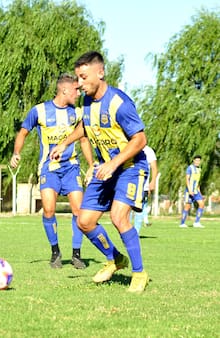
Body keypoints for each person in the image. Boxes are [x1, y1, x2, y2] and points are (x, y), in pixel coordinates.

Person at [50, 51, 149, 293]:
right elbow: (85, 126)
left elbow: (140, 139)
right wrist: (65, 142)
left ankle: (139, 273)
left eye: (83, 78)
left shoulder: (120, 104)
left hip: (129, 167)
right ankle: (116, 259)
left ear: (100, 73)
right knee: (84, 222)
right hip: (105, 168)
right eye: (77, 79)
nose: (79, 84)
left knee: (118, 217)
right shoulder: (86, 102)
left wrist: (113, 164)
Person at [10, 73, 94, 269]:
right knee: (48, 209)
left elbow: (83, 140)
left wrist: (90, 165)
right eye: (75, 90)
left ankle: (76, 253)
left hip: (71, 167)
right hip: (49, 168)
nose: (78, 92)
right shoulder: (39, 111)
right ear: (64, 90)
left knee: (78, 210)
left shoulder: (78, 113)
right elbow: (23, 132)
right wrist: (16, 153)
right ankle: (55, 252)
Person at [132, 145, 158, 233]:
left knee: (139, 208)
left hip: (143, 185)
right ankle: (126, 231)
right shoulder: (129, 146)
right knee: (126, 208)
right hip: (129, 183)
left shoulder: (148, 150)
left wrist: (153, 181)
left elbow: (154, 167)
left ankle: (136, 232)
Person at [180, 155, 205, 228]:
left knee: (202, 204)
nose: (198, 162)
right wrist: (190, 190)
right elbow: (187, 179)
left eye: (199, 160)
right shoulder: (190, 168)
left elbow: (198, 182)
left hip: (196, 191)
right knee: (187, 207)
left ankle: (197, 222)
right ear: (193, 160)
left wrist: (200, 192)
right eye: (196, 160)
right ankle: (182, 223)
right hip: (189, 191)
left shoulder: (199, 169)